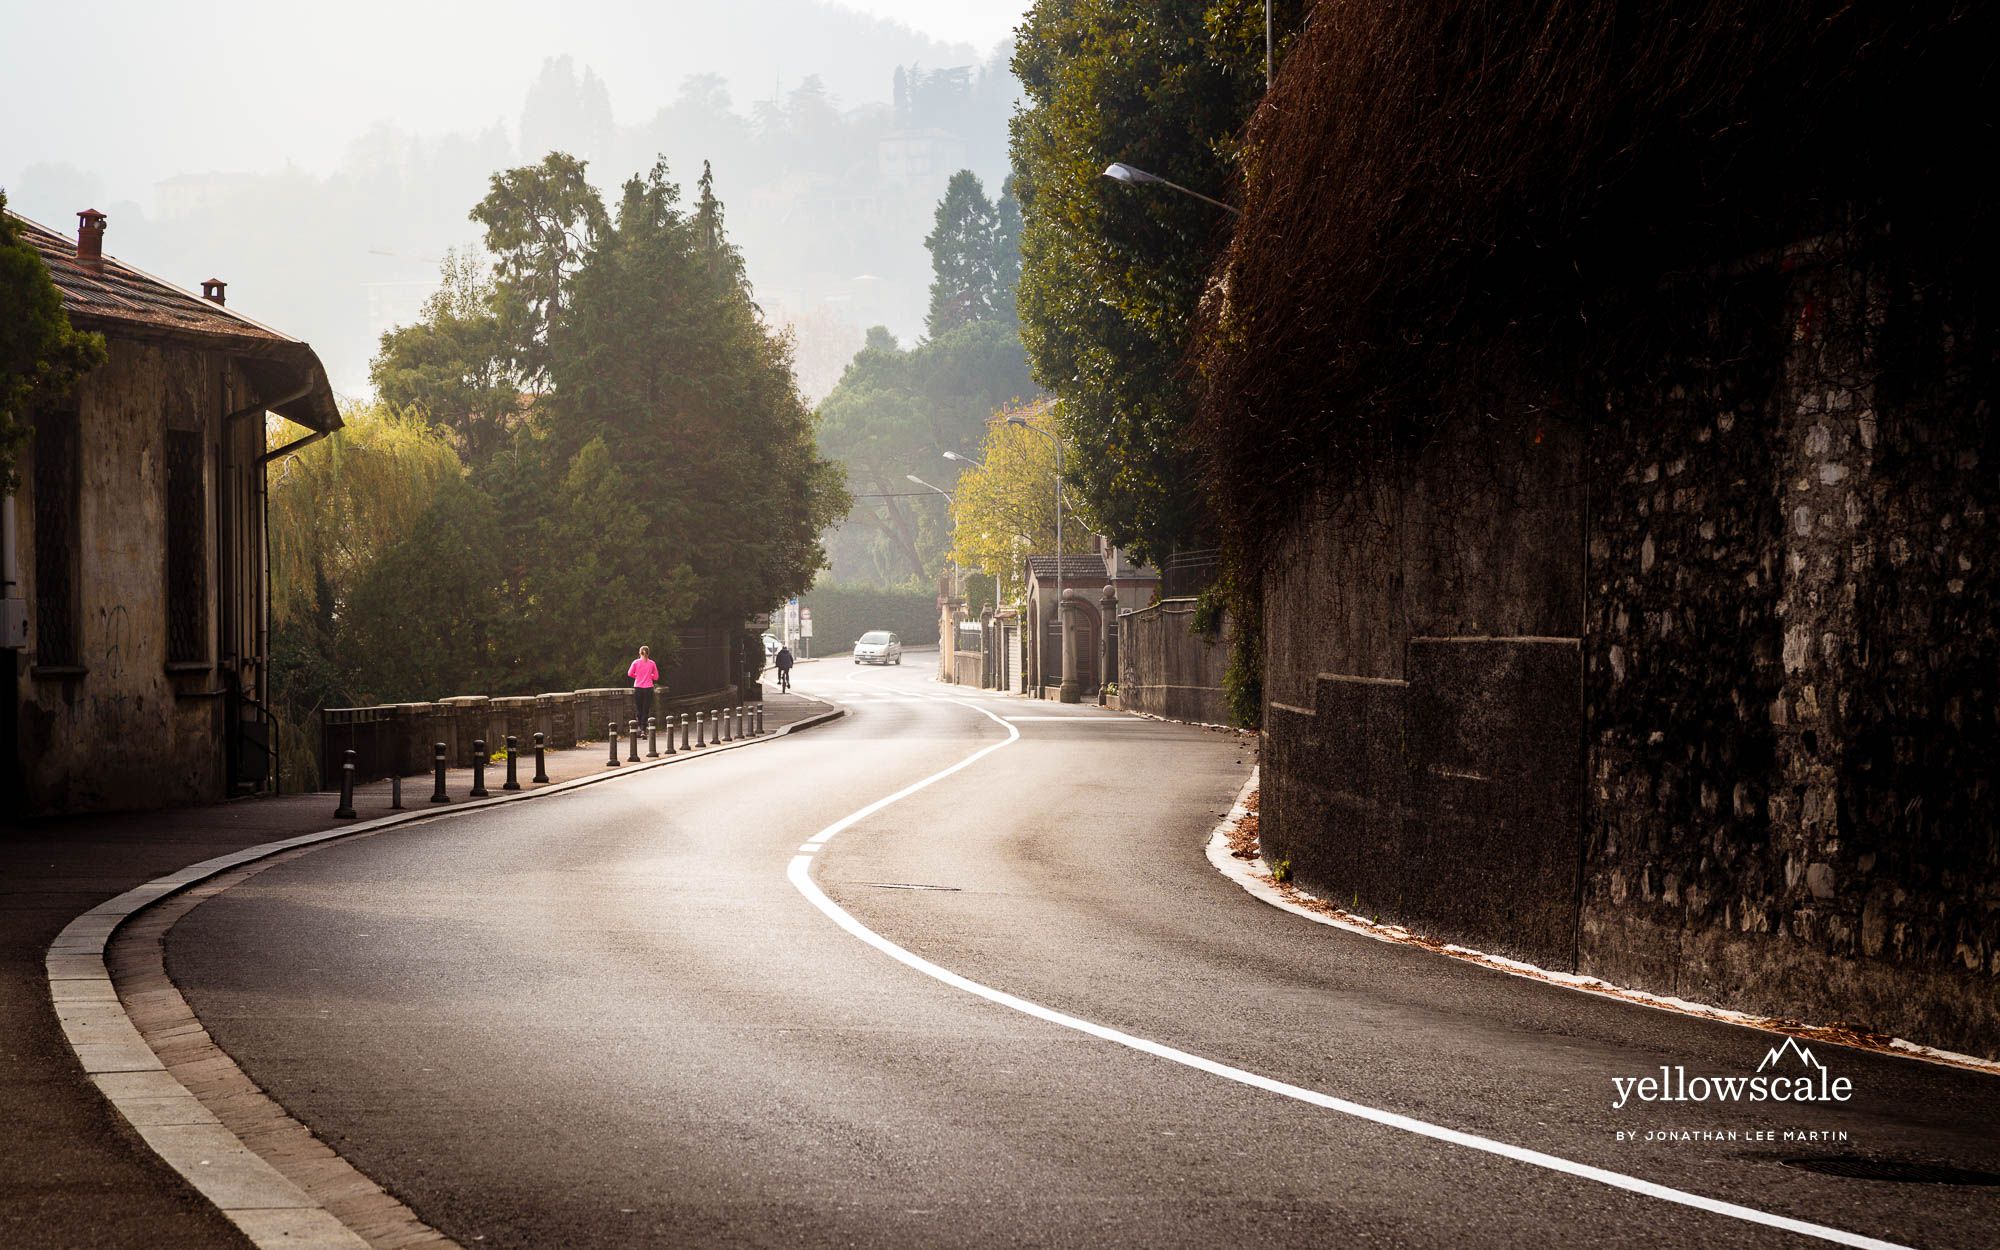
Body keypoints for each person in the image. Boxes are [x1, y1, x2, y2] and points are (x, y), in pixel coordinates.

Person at [628, 645, 659, 728]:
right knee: (646, 709)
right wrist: (649, 675)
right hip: (648, 688)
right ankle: (643, 729)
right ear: (648, 653)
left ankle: (638, 727)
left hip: (638, 687)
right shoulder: (652, 663)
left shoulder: (635, 662)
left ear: (639, 653)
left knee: (639, 708)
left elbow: (630, 673)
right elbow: (656, 677)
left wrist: (638, 676)